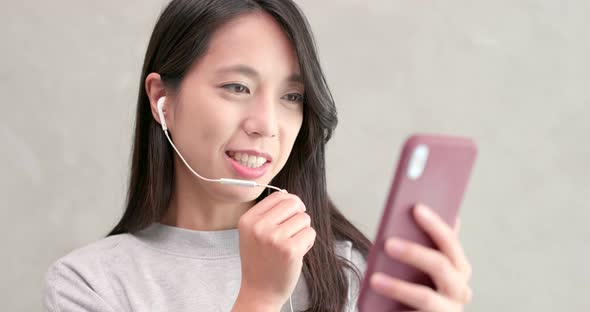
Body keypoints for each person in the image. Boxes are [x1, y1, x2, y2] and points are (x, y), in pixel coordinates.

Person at [43, 0, 472, 311]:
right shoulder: (89, 285)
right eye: (237, 87)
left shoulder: (352, 273)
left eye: (291, 96)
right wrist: (259, 298)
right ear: (162, 101)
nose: (266, 123)